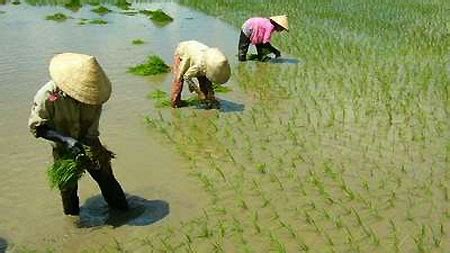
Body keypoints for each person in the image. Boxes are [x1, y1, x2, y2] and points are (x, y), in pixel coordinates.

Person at [28, 53, 129, 215]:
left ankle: (123, 213)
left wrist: (89, 149)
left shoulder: (94, 97)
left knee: (107, 179)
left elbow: (92, 131)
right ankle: (73, 221)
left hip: (89, 142)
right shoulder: (47, 95)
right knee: (67, 187)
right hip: (62, 146)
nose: (84, 99)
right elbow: (37, 128)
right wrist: (66, 140)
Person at [171, 40, 231, 109]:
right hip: (183, 52)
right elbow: (186, 77)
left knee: (204, 79)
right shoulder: (198, 65)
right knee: (179, 79)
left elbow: (209, 79)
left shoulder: (214, 59)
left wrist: (211, 93)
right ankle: (175, 102)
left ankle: (207, 99)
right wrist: (198, 92)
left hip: (196, 53)